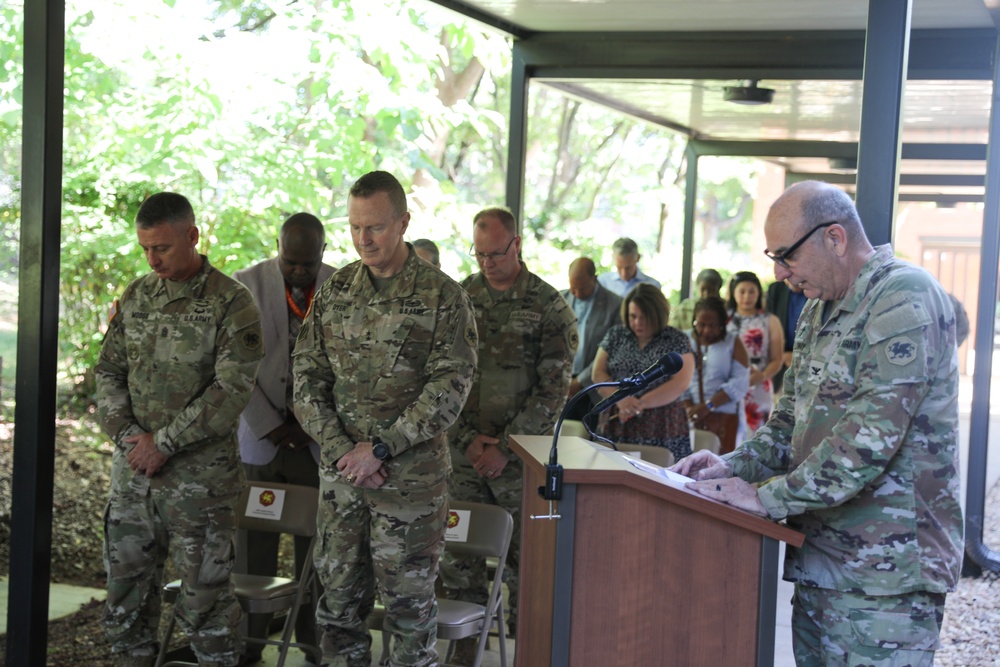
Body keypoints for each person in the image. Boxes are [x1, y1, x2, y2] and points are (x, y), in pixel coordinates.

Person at [673, 180, 963, 667]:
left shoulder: (902, 298)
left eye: (786, 256)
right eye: (773, 257)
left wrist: (764, 498)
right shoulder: (817, 311)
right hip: (822, 565)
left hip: (885, 579)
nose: (779, 273)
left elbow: (868, 441)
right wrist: (730, 467)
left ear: (835, 238)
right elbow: (789, 423)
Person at [292, 171, 478, 667]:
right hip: (343, 479)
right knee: (336, 608)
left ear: (403, 223)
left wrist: (379, 448)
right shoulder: (334, 293)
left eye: (373, 227)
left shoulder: (444, 297)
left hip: (409, 486)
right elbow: (306, 377)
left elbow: (449, 388)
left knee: (409, 615)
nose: (362, 239)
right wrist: (340, 451)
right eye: (353, 227)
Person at [95, 192, 264, 667]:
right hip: (133, 480)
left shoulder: (232, 302)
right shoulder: (137, 294)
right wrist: (130, 438)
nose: (152, 259)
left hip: (200, 488)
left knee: (204, 608)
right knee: (125, 601)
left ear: (192, 236)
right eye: (145, 248)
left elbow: (232, 390)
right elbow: (107, 372)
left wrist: (163, 444)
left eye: (163, 248)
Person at [439, 206, 577, 662]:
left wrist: (504, 446)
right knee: (459, 559)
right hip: (464, 457)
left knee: (527, 566)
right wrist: (466, 441)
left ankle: (526, 655)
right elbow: (442, 376)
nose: (487, 264)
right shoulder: (459, 297)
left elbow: (553, 390)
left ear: (516, 245)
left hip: (519, 461)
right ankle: (464, 657)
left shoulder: (549, 306)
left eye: (495, 254)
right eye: (479, 255)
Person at [232, 212, 334, 662]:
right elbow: (231, 366)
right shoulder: (245, 285)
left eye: (306, 264)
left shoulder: (343, 285)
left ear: (323, 254)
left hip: (315, 443)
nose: (297, 272)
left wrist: (308, 423)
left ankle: (313, 645)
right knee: (253, 546)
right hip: (261, 437)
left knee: (317, 550)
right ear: (277, 247)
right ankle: (249, 647)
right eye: (290, 262)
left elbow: (348, 370)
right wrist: (270, 424)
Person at [591, 283, 695, 460]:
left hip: (662, 425)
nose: (638, 323)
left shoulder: (676, 339)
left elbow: (681, 382)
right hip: (616, 421)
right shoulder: (616, 334)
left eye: (644, 317)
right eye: (633, 316)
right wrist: (621, 399)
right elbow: (598, 373)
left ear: (658, 315)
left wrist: (637, 405)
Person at [683, 296, 750, 454]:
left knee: (718, 465)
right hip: (688, 415)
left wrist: (708, 406)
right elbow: (677, 377)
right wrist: (689, 409)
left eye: (713, 325)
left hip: (723, 417)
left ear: (723, 324)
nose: (706, 330)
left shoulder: (733, 342)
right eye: (701, 325)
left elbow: (739, 383)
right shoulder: (684, 340)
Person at [562, 257, 623, 421]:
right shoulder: (560, 299)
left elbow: (613, 349)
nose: (577, 293)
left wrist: (580, 381)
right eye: (573, 287)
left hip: (594, 390)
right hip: (561, 385)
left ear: (594, 279)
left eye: (582, 288)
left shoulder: (615, 304)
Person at [727, 271, 784, 437]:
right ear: (733, 293)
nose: (747, 296)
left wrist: (763, 375)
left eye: (751, 291)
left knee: (755, 434)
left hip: (758, 383)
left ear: (759, 293)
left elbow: (777, 358)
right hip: (729, 382)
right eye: (742, 291)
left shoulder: (770, 320)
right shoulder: (725, 319)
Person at [766, 278, 807, 394]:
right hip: (780, 358)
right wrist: (781, 354)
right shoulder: (776, 289)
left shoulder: (817, 290)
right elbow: (768, 327)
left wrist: (797, 356)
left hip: (808, 359)